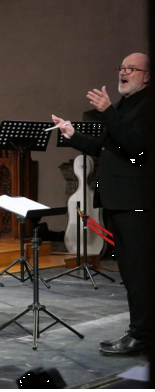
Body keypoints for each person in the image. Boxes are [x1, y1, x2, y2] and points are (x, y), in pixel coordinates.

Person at [51, 52, 150, 356]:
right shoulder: (122, 106)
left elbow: (136, 145)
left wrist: (107, 111)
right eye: (121, 68)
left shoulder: (147, 106)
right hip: (117, 199)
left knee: (139, 272)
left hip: (136, 202)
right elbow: (105, 147)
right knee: (130, 272)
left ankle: (141, 336)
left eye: (131, 69)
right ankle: (140, 330)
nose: (123, 73)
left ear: (147, 76)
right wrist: (73, 135)